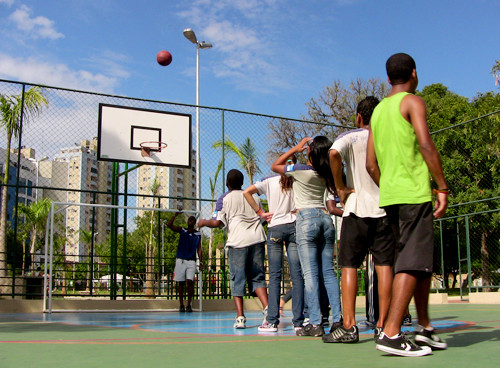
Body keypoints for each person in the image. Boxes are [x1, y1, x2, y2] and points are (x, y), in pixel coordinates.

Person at [366, 52, 449, 357]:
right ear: (414, 73)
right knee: (412, 264)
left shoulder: (377, 112)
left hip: (391, 198)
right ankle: (390, 333)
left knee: (420, 263)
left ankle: (424, 328)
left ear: (388, 78)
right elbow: (426, 144)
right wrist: (442, 186)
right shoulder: (413, 101)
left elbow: (370, 165)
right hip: (414, 195)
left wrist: (388, 186)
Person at [322, 96, 395, 344]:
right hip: (384, 210)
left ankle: (349, 327)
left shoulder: (350, 136)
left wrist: (341, 186)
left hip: (355, 210)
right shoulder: (386, 136)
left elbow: (333, 153)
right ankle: (383, 325)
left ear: (359, 117)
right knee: (385, 267)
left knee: (349, 266)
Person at [271, 137, 342, 337]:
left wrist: (295, 148)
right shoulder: (327, 173)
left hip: (306, 219)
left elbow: (275, 165)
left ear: (310, 153)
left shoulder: (301, 170)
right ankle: (337, 319)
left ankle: (316, 323)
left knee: (310, 274)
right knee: (328, 272)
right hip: (326, 219)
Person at [198, 169, 268, 329]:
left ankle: (240, 317)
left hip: (238, 242)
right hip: (257, 239)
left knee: (238, 279)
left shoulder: (224, 198)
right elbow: (262, 219)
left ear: (227, 183)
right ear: (242, 182)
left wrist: (203, 222)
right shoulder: (254, 195)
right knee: (257, 277)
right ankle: (267, 310)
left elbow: (218, 223)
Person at [243, 158, 305, 333]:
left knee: (275, 276)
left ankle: (272, 321)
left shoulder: (269, 181)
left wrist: (261, 212)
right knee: (297, 275)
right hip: (294, 227)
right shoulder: (297, 181)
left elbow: (246, 192)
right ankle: (299, 321)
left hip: (275, 228)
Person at [167, 212, 202, 313]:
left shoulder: (197, 234)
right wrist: (175, 215)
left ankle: (189, 304)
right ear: (187, 222)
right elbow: (169, 225)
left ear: (194, 222)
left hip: (191, 261)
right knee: (181, 283)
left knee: (190, 282)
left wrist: (201, 262)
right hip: (181, 259)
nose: (190, 220)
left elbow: (199, 248)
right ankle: (181, 304)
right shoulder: (182, 230)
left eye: (192, 219)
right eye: (189, 219)